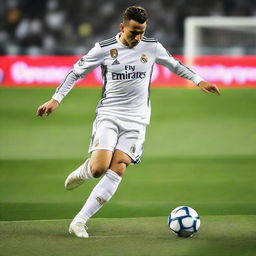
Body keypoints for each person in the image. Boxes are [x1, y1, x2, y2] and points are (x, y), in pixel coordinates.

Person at [36, 6, 220, 238]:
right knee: (98, 168)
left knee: (118, 167)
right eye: (133, 32)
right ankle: (85, 171)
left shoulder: (152, 47)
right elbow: (75, 72)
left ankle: (79, 222)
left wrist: (199, 80)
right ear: (122, 27)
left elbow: (175, 65)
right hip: (109, 115)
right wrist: (56, 99)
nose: (138, 37)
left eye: (142, 32)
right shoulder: (103, 49)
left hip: (137, 120)